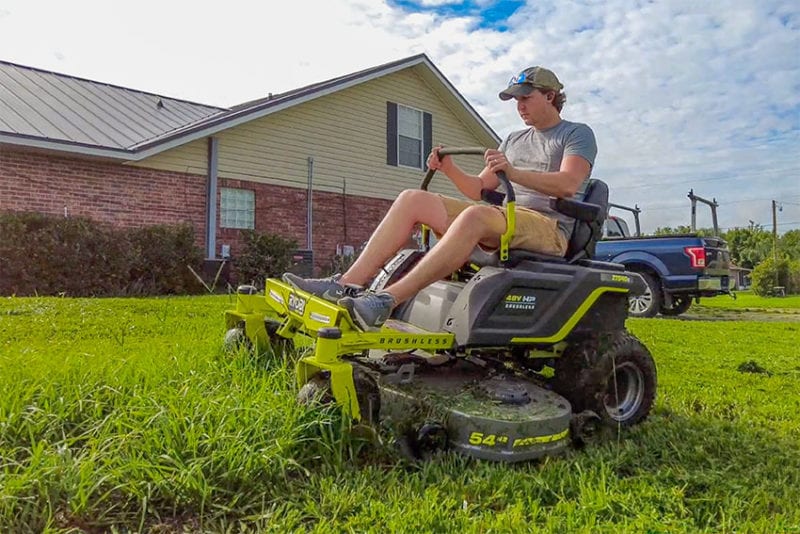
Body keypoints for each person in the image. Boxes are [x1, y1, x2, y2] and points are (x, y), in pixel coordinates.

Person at [284, 66, 597, 331]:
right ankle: (345, 284)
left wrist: (513, 173)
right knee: (413, 198)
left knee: (475, 216)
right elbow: (477, 189)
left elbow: (569, 184)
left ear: (550, 96)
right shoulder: (513, 139)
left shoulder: (576, 134)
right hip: (508, 218)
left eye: (526, 98)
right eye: (516, 100)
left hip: (550, 228)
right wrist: (448, 168)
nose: (520, 106)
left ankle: (385, 300)